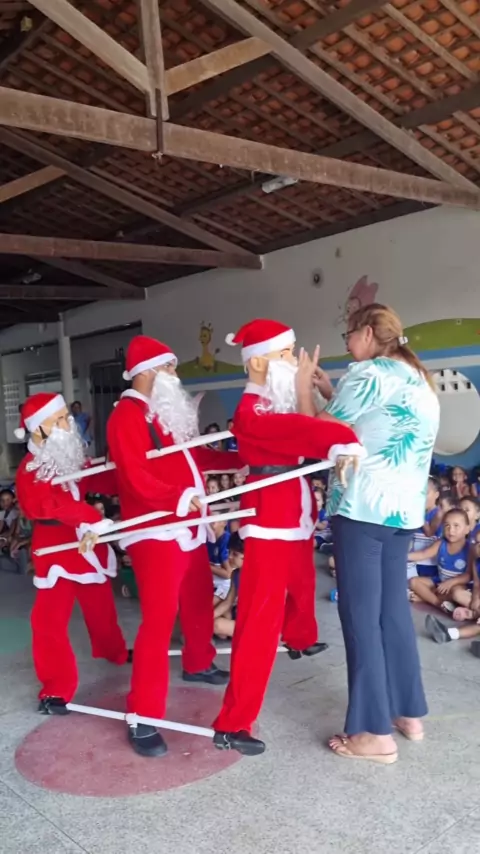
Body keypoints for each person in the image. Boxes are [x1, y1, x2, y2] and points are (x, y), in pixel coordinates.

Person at [212, 318, 364, 756]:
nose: (293, 361)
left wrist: (318, 406)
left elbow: (302, 424)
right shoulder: (251, 411)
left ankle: (298, 638)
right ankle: (232, 723)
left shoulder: (273, 402)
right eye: (284, 354)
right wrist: (340, 440)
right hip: (269, 523)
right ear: (259, 362)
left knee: (302, 585)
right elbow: (298, 431)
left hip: (292, 513)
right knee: (258, 626)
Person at [296, 304, 439, 764]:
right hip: (401, 513)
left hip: (362, 510)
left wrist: (302, 388)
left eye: (349, 334)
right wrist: (330, 391)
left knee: (361, 618)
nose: (346, 342)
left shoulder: (368, 372)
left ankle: (374, 733)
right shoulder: (418, 378)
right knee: (392, 612)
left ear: (369, 334)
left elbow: (317, 433)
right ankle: (407, 713)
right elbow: (372, 426)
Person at [107, 335, 239, 758]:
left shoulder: (162, 413)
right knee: (159, 621)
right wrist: (178, 498)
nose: (174, 374)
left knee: (197, 598)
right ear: (146, 371)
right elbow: (133, 476)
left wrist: (239, 461)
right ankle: (142, 713)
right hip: (156, 531)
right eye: (168, 367)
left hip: (187, 524)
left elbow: (195, 460)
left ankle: (198, 662)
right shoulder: (126, 416)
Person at [15, 393, 128, 716]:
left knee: (101, 607)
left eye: (67, 416)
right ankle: (56, 686)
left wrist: (128, 472)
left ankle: (113, 651)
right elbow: (48, 504)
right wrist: (90, 517)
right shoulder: (30, 468)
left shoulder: (67, 455)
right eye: (60, 419)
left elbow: (97, 477)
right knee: (48, 621)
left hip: (85, 541)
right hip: (56, 547)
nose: (69, 424)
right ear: (39, 429)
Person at [426, 527, 480, 645]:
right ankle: (449, 633)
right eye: (476, 542)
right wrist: (476, 599)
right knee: (458, 594)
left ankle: (466, 619)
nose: (478, 546)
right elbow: (476, 585)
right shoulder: (477, 562)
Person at [408, 508, 471, 610]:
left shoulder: (470, 549)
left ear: (467, 529)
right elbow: (423, 554)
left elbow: (468, 575)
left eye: (456, 526)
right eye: (447, 525)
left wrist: (450, 583)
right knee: (413, 582)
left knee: (457, 594)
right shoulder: (440, 543)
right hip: (440, 581)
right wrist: (402, 556)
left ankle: (427, 597)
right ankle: (438, 603)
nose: (451, 530)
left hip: (457, 584)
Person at [214, 533, 244, 639]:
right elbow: (228, 602)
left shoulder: (259, 577)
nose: (230, 556)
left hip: (258, 623)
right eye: (229, 552)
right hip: (243, 617)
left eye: (235, 554)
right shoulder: (235, 574)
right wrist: (209, 617)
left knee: (217, 625)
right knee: (213, 622)